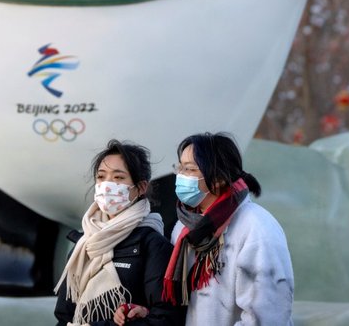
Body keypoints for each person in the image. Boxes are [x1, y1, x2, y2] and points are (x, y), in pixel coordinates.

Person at [163, 132, 294, 325]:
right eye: (180, 168)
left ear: (218, 179)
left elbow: (267, 316)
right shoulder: (184, 227)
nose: (180, 176)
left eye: (190, 169)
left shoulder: (257, 228)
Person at [55, 139, 185, 326]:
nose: (107, 185)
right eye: (101, 177)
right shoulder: (83, 244)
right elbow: (63, 316)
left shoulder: (153, 246)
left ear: (140, 188)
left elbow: (165, 319)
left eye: (118, 178)